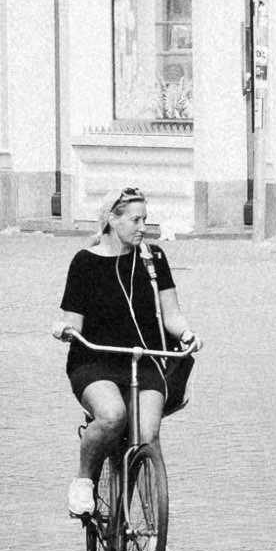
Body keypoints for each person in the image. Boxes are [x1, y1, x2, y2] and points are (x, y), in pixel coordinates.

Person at [57, 187, 197, 520]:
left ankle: (152, 531)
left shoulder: (153, 259)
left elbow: (172, 314)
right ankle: (83, 481)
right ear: (111, 219)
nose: (142, 227)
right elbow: (72, 321)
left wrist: (188, 333)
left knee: (148, 436)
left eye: (145, 220)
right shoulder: (85, 263)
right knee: (112, 416)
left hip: (144, 359)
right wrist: (64, 329)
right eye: (135, 219)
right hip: (95, 361)